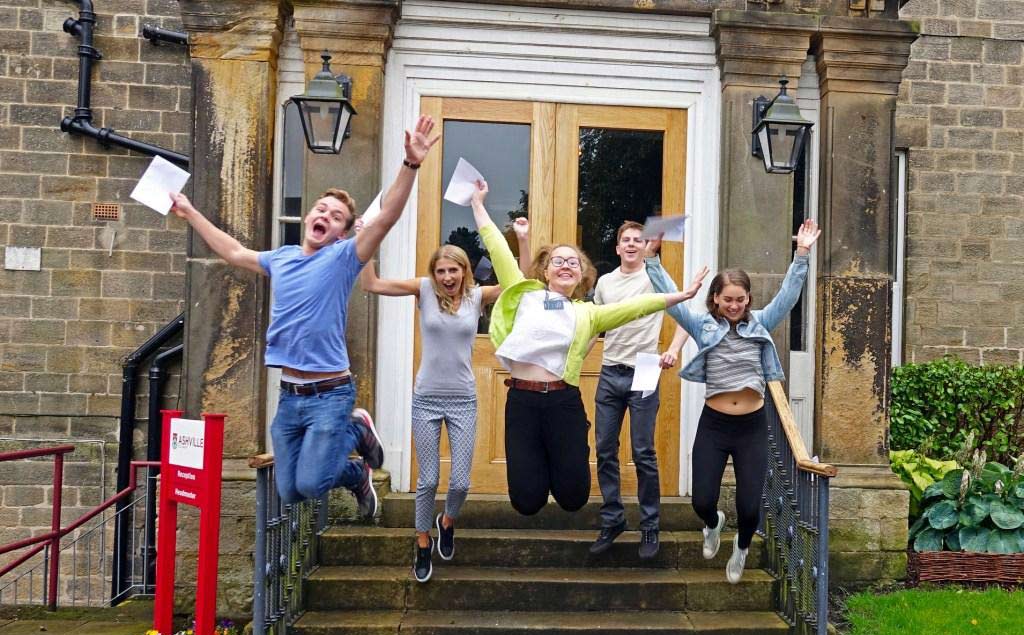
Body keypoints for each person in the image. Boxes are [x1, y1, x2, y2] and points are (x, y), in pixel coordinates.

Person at [170, 115, 439, 519]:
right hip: (291, 395)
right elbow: (232, 252)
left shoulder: (343, 258)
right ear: (308, 216)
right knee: (291, 491)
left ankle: (355, 437)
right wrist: (190, 212)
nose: (324, 216)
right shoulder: (281, 258)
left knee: (313, 483)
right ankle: (354, 461)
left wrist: (411, 164)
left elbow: (385, 218)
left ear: (341, 233)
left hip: (331, 395)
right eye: (321, 209)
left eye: (334, 217)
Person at [470, 180, 707, 516]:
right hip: (522, 402)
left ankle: (564, 455)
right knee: (526, 502)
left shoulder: (588, 313)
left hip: (564, 403)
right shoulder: (523, 293)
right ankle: (540, 465)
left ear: (582, 276)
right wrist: (478, 204)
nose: (566, 265)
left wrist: (678, 297)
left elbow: (635, 307)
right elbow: (497, 248)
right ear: (546, 270)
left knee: (574, 497)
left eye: (573, 262)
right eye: (558, 261)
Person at [645, 219, 821, 583]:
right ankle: (712, 524)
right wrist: (652, 259)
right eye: (728, 299)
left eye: (740, 300)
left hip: (752, 426)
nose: (734, 305)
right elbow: (672, 302)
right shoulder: (702, 325)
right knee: (702, 501)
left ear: (748, 301)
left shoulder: (761, 324)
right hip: (715, 423)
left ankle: (741, 547)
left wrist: (801, 254)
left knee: (749, 506)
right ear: (715, 299)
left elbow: (788, 296)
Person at [358, 246, 501, 582]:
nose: (447, 277)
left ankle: (446, 522)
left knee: (462, 481)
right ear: (433, 273)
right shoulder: (423, 290)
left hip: (463, 398)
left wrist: (518, 241)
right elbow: (372, 285)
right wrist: (365, 240)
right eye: (441, 271)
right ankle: (422, 543)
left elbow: (516, 283)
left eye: (454, 270)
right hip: (426, 399)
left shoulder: (477, 297)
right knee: (428, 479)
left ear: (464, 270)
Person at [588, 221, 690, 560]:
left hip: (645, 369)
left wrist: (673, 350)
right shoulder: (604, 283)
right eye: (625, 240)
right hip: (610, 370)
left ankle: (649, 525)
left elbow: (685, 317)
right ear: (617, 248)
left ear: (647, 246)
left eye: (638, 240)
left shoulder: (654, 279)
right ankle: (613, 519)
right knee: (604, 448)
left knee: (643, 450)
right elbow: (592, 327)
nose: (632, 244)